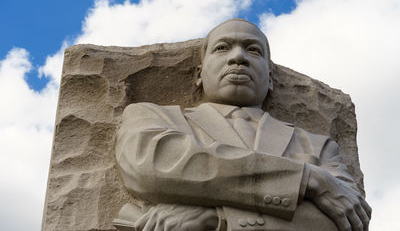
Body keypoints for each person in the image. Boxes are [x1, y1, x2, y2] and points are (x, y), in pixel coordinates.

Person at [114, 19, 371, 231]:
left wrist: (218, 218)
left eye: (253, 50)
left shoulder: (318, 145)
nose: (239, 57)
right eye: (223, 48)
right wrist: (308, 179)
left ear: (270, 79)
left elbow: (345, 221)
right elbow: (152, 168)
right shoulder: (152, 117)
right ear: (198, 76)